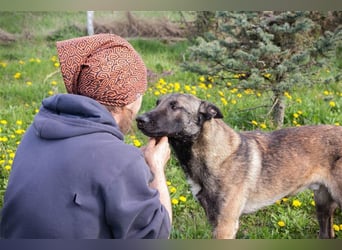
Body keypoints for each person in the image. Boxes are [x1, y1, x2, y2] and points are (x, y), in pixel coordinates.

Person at [0, 34, 172, 239]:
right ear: (128, 102)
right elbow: (157, 236)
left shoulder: (35, 131)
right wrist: (156, 168)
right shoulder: (121, 160)